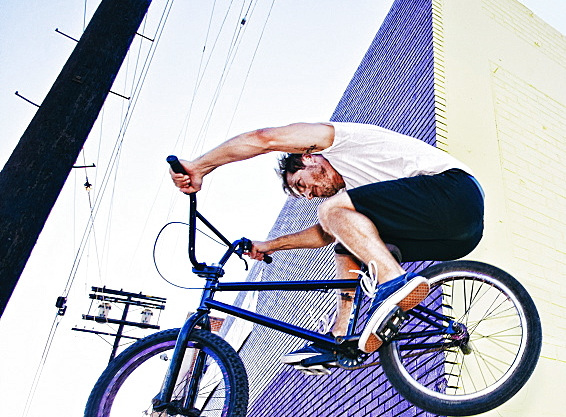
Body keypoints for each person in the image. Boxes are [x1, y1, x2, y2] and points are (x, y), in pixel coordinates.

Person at [169, 121, 484, 366]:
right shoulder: (362, 196)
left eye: (302, 184)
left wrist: (200, 166)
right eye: (302, 193)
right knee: (346, 241)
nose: (308, 194)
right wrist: (268, 246)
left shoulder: (337, 141)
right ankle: (339, 336)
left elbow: (265, 138)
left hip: (454, 193)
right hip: (456, 237)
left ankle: (393, 281)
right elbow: (325, 233)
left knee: (332, 211)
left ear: (308, 157)